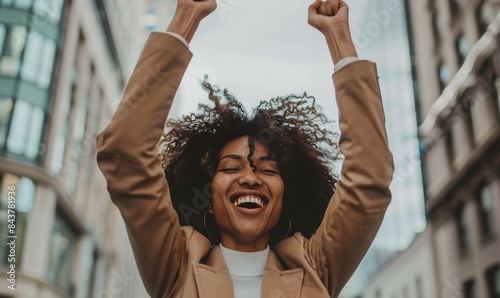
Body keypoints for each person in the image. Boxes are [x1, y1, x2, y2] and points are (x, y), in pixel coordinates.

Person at [96, 0, 394, 297]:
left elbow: (369, 179)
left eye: (267, 169)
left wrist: (339, 37)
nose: (251, 178)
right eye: (230, 167)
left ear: (283, 197)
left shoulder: (313, 269)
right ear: (208, 198)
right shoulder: (177, 265)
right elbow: (126, 153)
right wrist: (186, 15)